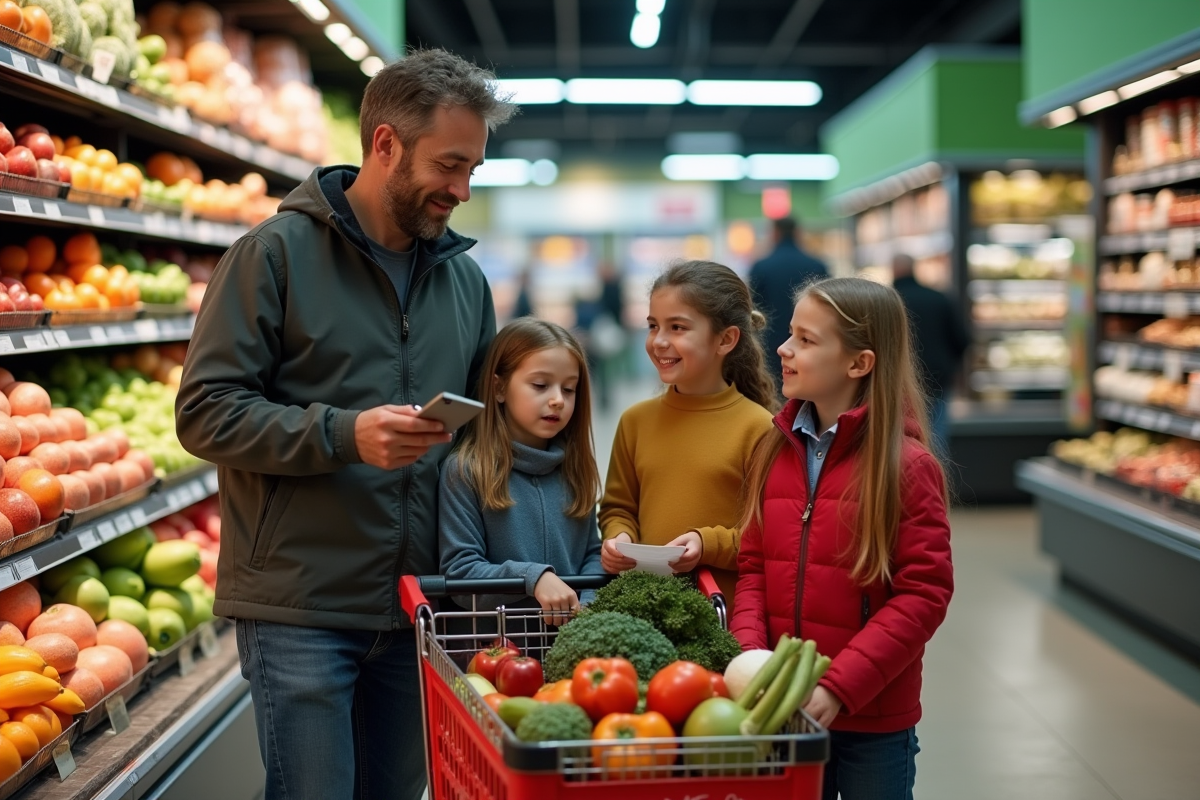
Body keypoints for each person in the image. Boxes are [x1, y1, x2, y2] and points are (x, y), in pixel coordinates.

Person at [174, 49, 515, 800]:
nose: (460, 190)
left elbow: (485, 438)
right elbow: (204, 412)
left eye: (473, 171)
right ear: (385, 143)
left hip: (418, 604)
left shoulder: (463, 281)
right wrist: (344, 435)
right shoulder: (272, 256)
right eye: (449, 165)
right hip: (302, 605)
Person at [731, 277, 954, 800]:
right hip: (781, 710)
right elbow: (752, 569)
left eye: (806, 341)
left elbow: (923, 594)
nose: (783, 349)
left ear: (859, 363)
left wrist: (839, 686)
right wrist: (749, 658)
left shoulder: (907, 467)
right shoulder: (773, 449)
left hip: (871, 720)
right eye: (790, 334)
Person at [599, 260, 778, 609]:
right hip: (646, 612)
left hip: (726, 616)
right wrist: (618, 538)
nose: (659, 341)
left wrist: (706, 544)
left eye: (677, 327)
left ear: (726, 339)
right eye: (653, 326)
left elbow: (772, 534)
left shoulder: (759, 428)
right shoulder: (635, 421)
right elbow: (618, 508)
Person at [439, 318, 604, 622]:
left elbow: (593, 553)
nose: (557, 400)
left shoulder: (576, 469)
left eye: (569, 389)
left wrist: (589, 603)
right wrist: (534, 578)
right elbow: (460, 572)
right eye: (540, 385)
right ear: (499, 387)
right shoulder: (465, 470)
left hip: (574, 650)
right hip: (494, 652)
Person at [890, 253, 970, 454]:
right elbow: (961, 339)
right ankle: (936, 478)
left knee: (901, 437)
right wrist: (954, 367)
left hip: (897, 380)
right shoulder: (939, 298)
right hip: (938, 376)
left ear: (894, 270)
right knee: (937, 437)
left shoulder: (887, 301)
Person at [749, 216, 829, 367]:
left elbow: (755, 306)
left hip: (771, 340)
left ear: (775, 233)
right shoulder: (817, 265)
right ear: (797, 232)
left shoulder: (761, 266)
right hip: (810, 339)